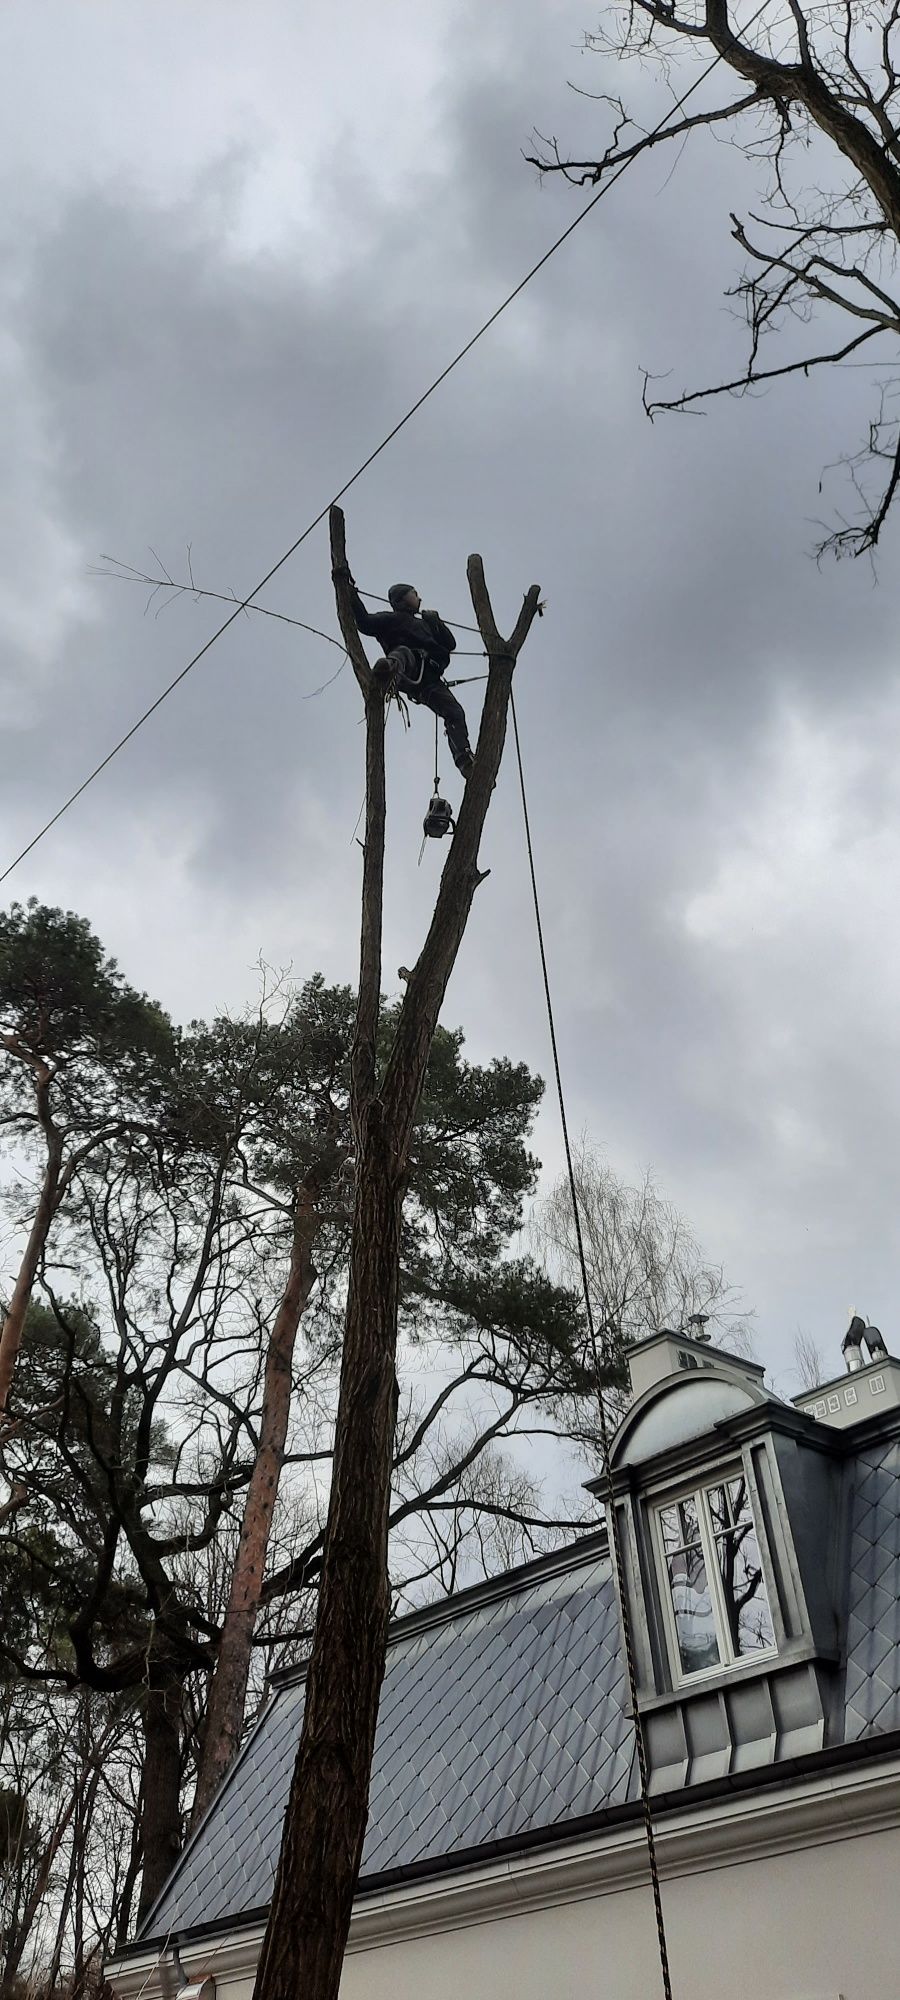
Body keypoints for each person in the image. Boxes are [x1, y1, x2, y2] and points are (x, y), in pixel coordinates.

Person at [339, 573, 475, 780]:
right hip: (406, 668)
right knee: (403, 653)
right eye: (414, 594)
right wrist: (352, 594)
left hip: (429, 679)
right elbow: (364, 622)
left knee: (454, 711)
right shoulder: (391, 619)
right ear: (401, 599)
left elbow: (450, 644)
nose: (419, 598)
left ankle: (465, 759)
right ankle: (387, 670)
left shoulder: (426, 624)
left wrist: (437, 623)